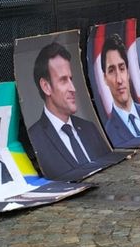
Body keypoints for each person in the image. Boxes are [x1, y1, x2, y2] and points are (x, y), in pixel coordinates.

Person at [28, 42, 112, 180]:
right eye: (63, 80)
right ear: (46, 86)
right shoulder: (35, 138)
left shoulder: (90, 128)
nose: (73, 88)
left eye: (71, 79)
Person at [100, 34, 140, 146]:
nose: (119, 80)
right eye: (111, 70)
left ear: (128, 72)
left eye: (122, 68)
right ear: (105, 79)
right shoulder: (108, 133)